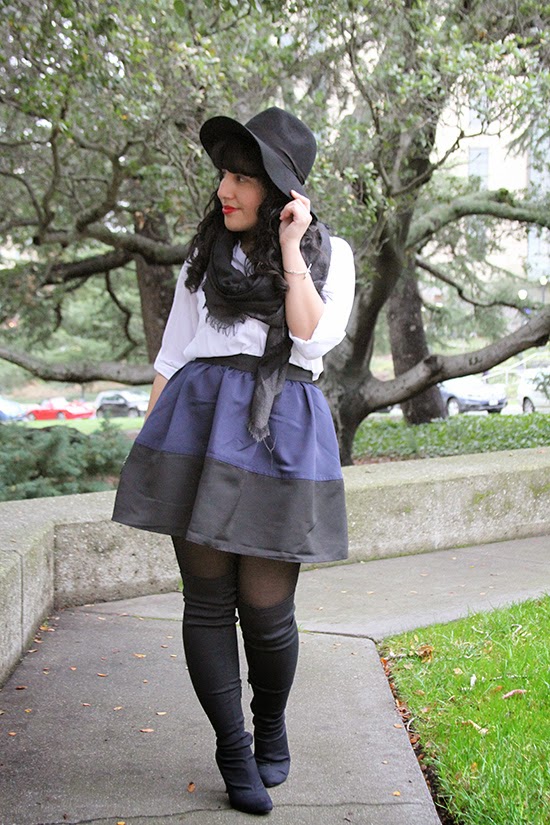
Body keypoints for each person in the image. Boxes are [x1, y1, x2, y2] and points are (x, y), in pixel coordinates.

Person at [113, 106, 355, 815]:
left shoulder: (326, 255)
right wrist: (152, 448)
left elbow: (310, 340)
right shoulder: (203, 253)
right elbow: (172, 354)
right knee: (209, 603)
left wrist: (289, 250)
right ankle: (233, 748)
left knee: (269, 611)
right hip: (196, 421)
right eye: (225, 173)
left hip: (282, 426)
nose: (227, 189)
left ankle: (271, 720)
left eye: (244, 177)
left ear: (280, 191)